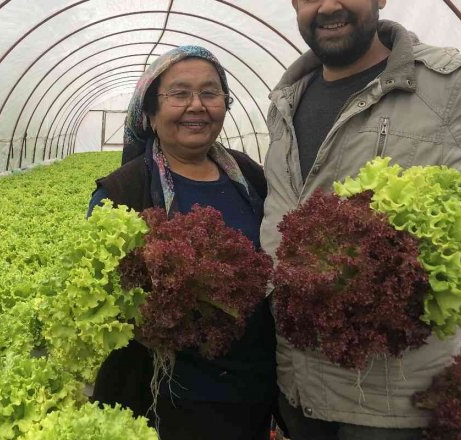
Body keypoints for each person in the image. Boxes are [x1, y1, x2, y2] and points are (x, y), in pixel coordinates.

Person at [262, 1, 461, 439]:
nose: (328, 5)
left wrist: (403, 275)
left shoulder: (446, 85)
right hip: (294, 383)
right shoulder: (285, 98)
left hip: (390, 403)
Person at [87, 45, 278, 440]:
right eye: (179, 94)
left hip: (250, 391)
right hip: (158, 398)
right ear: (151, 114)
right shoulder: (121, 193)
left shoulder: (250, 177)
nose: (197, 106)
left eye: (210, 93)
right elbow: (101, 302)